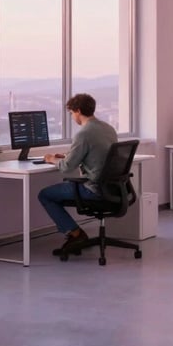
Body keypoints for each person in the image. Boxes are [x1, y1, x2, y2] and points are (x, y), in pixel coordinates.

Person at [38, 93, 118, 256]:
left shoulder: (83, 134)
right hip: (113, 188)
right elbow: (95, 154)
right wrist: (69, 155)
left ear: (78, 111)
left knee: (45, 195)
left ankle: (75, 234)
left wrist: (52, 159)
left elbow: (67, 168)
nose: (73, 116)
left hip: (93, 189)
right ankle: (76, 234)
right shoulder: (108, 128)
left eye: (72, 113)